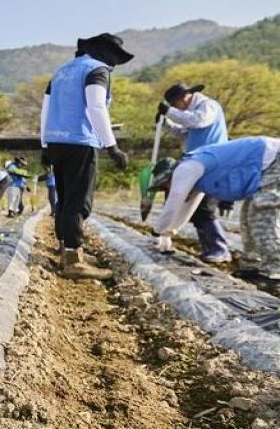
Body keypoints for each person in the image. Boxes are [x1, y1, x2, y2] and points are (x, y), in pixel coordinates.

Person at [40, 33, 132, 280]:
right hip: (80, 142)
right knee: (79, 202)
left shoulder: (61, 71)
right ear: (105, 54)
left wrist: (45, 145)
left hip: (56, 141)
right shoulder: (97, 70)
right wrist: (112, 146)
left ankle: (67, 248)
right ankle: (73, 260)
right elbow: (96, 107)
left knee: (65, 198)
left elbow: (45, 108)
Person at [149, 136, 280, 280]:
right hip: (264, 165)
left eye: (164, 185)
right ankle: (252, 267)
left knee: (260, 216)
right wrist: (169, 232)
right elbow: (188, 207)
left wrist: (157, 231)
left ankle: (275, 271)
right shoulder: (197, 175)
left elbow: (175, 200)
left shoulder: (186, 168)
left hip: (273, 159)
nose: (166, 188)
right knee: (247, 218)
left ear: (168, 176)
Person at [156, 83, 231, 262]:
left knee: (205, 207)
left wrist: (170, 113)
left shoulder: (208, 106)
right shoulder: (191, 111)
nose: (176, 109)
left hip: (213, 162)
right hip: (196, 161)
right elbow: (183, 132)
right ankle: (207, 247)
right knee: (189, 205)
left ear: (184, 99)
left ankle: (219, 249)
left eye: (175, 106)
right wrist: (165, 122)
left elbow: (197, 120)